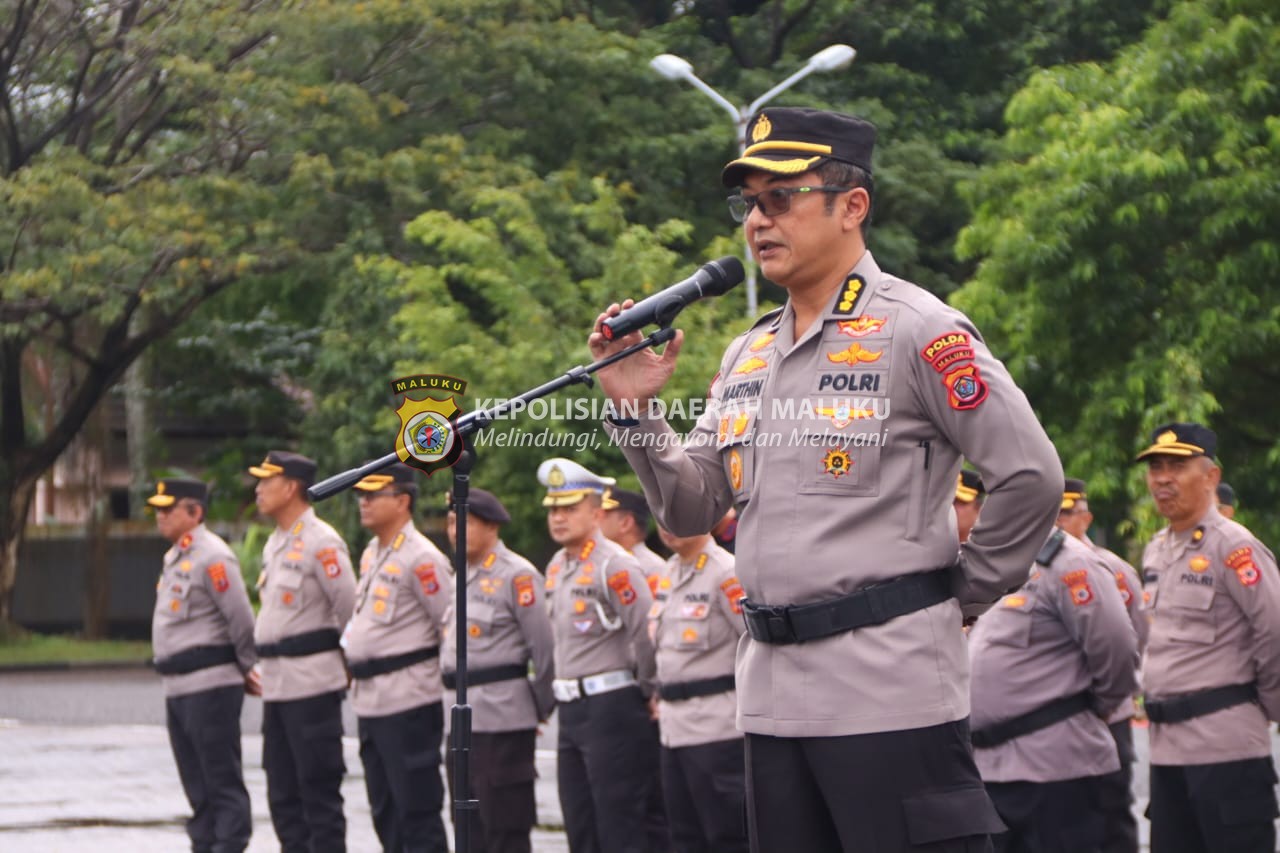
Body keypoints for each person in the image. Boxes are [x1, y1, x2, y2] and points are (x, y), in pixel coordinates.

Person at [589, 106, 1063, 851]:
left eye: (781, 197)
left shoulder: (920, 329)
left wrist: (958, 595)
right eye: (749, 202)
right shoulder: (748, 353)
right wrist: (636, 411)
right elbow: (690, 507)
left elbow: (1031, 475)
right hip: (772, 702)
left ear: (853, 206)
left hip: (889, 694)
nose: (758, 220)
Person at [1137, 423, 1280, 853]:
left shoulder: (1234, 547)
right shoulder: (1156, 549)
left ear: (1211, 477)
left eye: (1177, 466)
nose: (1163, 478)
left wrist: (1264, 709)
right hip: (1166, 752)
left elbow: (1274, 632)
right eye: (1156, 467)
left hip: (1225, 751)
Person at [968, 520, 1138, 852]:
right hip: (993, 769)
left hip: (1056, 768)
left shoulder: (1071, 562)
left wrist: (1099, 707)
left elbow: (1118, 650)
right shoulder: (996, 561)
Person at [538, 457, 659, 853]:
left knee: (618, 823)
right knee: (580, 822)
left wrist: (646, 689)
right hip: (572, 708)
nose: (559, 518)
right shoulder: (557, 565)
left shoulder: (615, 565)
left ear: (596, 510)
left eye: (569, 508)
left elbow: (646, 633)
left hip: (612, 706)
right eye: (554, 509)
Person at [249, 450, 356, 853]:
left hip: (312, 686)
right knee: (283, 796)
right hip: (278, 687)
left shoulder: (322, 542)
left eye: (266, 481)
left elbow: (349, 611)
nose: (258, 489)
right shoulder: (276, 543)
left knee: (319, 796)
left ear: (291, 487)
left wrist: (347, 669)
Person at [441, 486, 555, 853]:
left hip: (503, 720)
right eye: (451, 520)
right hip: (459, 723)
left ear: (491, 527)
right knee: (466, 830)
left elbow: (546, 650)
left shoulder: (517, 575)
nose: (455, 529)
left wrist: (536, 708)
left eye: (465, 522)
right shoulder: (459, 576)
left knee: (504, 827)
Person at [345, 464, 452, 853]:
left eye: (374, 495)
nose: (365, 502)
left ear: (403, 501)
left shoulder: (422, 558)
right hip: (371, 701)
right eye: (362, 495)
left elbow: (449, 625)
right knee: (385, 811)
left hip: (408, 701)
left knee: (417, 811)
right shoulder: (373, 552)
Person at [149, 477, 257, 853]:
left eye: (168, 508)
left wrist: (246, 667)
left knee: (220, 781)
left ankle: (228, 845)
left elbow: (240, 618)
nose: (159, 515)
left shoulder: (213, 555)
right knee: (196, 784)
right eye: (158, 508)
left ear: (195, 512)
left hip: (210, 684)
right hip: (179, 686)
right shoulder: (176, 555)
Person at [1057, 477, 1148, 853]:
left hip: (1107, 713)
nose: (1059, 523)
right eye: (1054, 514)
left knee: (1111, 814)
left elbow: (1135, 637)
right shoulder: (1031, 569)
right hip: (1056, 718)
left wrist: (1108, 695)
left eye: (1066, 514)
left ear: (1086, 518)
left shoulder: (1112, 568)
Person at [650, 524, 748, 853]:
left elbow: (752, 645)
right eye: (661, 518)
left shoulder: (727, 572)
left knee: (728, 835)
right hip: (673, 729)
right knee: (684, 837)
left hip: (717, 728)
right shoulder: (670, 570)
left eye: (676, 517)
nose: (667, 527)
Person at [600, 486, 666, 594]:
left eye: (604, 514)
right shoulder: (601, 561)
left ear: (626, 523)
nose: (596, 519)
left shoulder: (652, 568)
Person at [955, 469, 986, 544]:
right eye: (949, 501)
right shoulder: (929, 547)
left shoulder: (988, 549)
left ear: (979, 509)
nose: (952, 508)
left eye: (960, 502)